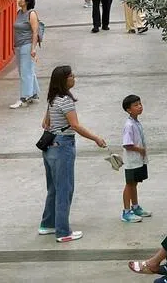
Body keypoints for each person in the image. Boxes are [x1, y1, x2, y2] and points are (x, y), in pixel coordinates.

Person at [39, 65, 107, 244]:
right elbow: (75, 126)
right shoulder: (66, 101)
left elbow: (45, 123)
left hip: (49, 148)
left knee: (53, 187)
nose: (74, 78)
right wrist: (96, 138)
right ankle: (62, 232)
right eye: (71, 76)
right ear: (64, 80)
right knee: (65, 189)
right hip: (63, 146)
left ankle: (48, 223)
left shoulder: (52, 99)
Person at [121, 94, 152, 223]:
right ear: (129, 110)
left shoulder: (136, 122)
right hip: (132, 161)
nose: (140, 107)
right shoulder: (129, 125)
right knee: (129, 184)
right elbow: (127, 144)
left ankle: (135, 207)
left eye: (140, 104)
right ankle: (126, 212)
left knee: (134, 183)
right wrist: (140, 150)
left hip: (138, 160)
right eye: (136, 105)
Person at [10, 0, 41, 109]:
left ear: (27, 1)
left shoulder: (31, 14)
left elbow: (35, 32)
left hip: (27, 45)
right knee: (26, 71)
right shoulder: (19, 13)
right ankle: (33, 94)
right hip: (18, 45)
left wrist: (33, 48)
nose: (19, 0)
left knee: (25, 72)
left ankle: (24, 97)